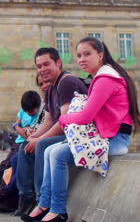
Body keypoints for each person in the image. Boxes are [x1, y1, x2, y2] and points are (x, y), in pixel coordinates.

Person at [22, 37, 140, 222]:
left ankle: (58, 210)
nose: (82, 59)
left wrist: (64, 118)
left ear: (100, 55)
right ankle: (45, 203)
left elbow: (85, 116)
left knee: (57, 154)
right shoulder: (100, 77)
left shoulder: (105, 80)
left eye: (87, 54)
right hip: (106, 137)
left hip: (115, 140)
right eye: (78, 55)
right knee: (50, 150)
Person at [14, 48, 88, 216]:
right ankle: (26, 197)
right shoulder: (51, 89)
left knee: (42, 145)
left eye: (46, 64)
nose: (42, 69)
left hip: (76, 134)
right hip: (64, 132)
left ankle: (43, 201)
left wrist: (39, 140)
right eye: (39, 66)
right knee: (26, 147)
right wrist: (33, 136)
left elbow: (64, 122)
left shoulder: (66, 83)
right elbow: (48, 121)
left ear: (58, 63)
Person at [0, 88, 44, 212]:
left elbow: (26, 133)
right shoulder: (24, 112)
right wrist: (19, 128)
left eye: (31, 111)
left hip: (25, 144)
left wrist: (18, 128)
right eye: (27, 111)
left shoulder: (41, 114)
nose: (29, 113)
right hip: (18, 143)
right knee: (4, 166)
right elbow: (17, 125)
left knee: (13, 166)